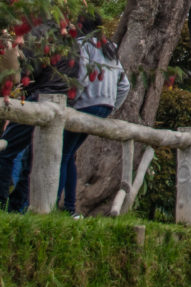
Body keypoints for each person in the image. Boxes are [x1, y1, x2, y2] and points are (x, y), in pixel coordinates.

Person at [0, 25, 80, 212]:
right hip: (65, 100)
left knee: (6, 148)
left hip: (42, 97)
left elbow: (30, 71)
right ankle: (18, 206)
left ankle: (2, 203)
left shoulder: (38, 34)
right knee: (33, 159)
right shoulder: (69, 38)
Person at [58, 12, 130, 217]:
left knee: (62, 154)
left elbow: (82, 76)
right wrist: (112, 106)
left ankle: (55, 204)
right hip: (104, 106)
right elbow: (125, 84)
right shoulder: (110, 48)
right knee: (69, 155)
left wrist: (71, 101)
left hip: (85, 104)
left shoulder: (82, 45)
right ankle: (70, 208)